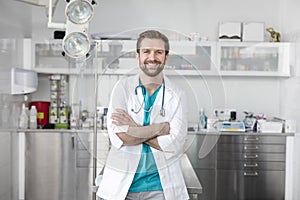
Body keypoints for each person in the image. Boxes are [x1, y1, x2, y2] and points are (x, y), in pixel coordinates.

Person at [96, 30, 189, 200]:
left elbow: (174, 144)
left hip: (161, 188)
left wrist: (135, 130)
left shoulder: (177, 94)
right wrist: (159, 128)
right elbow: (120, 136)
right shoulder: (122, 88)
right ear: (137, 56)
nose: (152, 57)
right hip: (121, 186)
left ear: (166, 57)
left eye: (158, 52)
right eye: (146, 51)